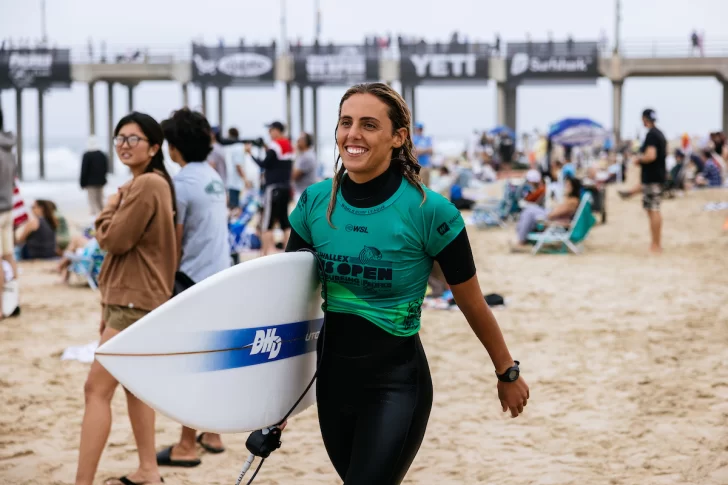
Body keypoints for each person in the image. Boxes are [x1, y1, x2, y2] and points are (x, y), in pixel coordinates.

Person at [285, 83, 529, 484]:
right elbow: (287, 301)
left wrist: (507, 372)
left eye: (368, 124)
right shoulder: (314, 203)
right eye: (346, 123)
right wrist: (273, 404)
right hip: (331, 381)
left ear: (398, 137)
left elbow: (471, 303)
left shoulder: (430, 212)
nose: (353, 135)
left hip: (395, 383)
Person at [75, 112, 176, 485]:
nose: (124, 144)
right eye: (119, 138)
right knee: (135, 387)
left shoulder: (147, 184)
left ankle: (82, 481)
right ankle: (149, 470)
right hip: (132, 297)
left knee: (95, 389)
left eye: (133, 139)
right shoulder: (147, 183)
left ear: (153, 147)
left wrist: (110, 206)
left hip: (136, 301)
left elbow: (113, 239)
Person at [156, 108, 230, 467]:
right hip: (220, 275)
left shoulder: (181, 183)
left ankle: (186, 446)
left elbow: (175, 242)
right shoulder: (212, 176)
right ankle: (212, 434)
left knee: (191, 364)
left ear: (174, 147)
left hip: (191, 281)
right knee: (212, 361)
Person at [246, 121, 293, 255]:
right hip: (286, 187)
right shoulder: (289, 145)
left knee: (267, 224)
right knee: (285, 222)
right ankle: (288, 253)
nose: (269, 132)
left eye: (271, 130)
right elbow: (279, 163)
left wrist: (250, 153)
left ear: (277, 130)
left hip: (273, 188)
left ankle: (263, 254)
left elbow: (264, 164)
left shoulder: (274, 145)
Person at [512, 176, 582, 251]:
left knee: (529, 212)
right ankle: (521, 239)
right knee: (529, 210)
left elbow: (553, 214)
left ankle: (521, 241)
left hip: (553, 219)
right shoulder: (570, 199)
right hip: (551, 215)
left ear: (574, 188)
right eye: (566, 185)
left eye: (568, 185)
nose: (565, 187)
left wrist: (551, 213)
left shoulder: (572, 201)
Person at [635, 108, 667, 254]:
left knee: (653, 210)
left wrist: (639, 159)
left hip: (652, 178)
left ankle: (656, 244)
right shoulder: (659, 134)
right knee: (653, 209)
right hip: (658, 177)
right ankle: (656, 243)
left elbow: (651, 155)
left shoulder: (652, 135)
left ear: (644, 119)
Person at [0, 108, 18, 321]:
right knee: (8, 255)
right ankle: (13, 302)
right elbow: (15, 179)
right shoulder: (8, 148)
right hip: (8, 208)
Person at [80, 135, 109, 216]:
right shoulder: (102, 154)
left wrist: (82, 183)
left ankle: (96, 219)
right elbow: (106, 169)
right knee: (100, 201)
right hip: (101, 182)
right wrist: (104, 180)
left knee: (92, 202)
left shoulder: (87, 155)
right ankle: (104, 216)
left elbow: (84, 170)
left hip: (90, 183)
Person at [224, 127, 252, 209]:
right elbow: (238, 166)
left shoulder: (233, 147)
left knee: (234, 207)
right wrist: (246, 180)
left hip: (233, 183)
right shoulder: (238, 148)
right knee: (235, 208)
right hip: (235, 183)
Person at [292, 132, 318, 203]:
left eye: (299, 140)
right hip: (303, 192)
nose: (297, 142)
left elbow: (294, 176)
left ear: (305, 142)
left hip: (304, 194)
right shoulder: (303, 155)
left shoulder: (307, 157)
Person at [412, 122, 433, 186]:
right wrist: (426, 150)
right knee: (420, 185)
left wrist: (421, 150)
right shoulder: (414, 138)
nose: (420, 130)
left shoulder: (426, 138)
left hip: (427, 165)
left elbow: (431, 151)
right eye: (419, 129)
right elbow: (415, 151)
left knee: (427, 185)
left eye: (421, 129)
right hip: (418, 166)